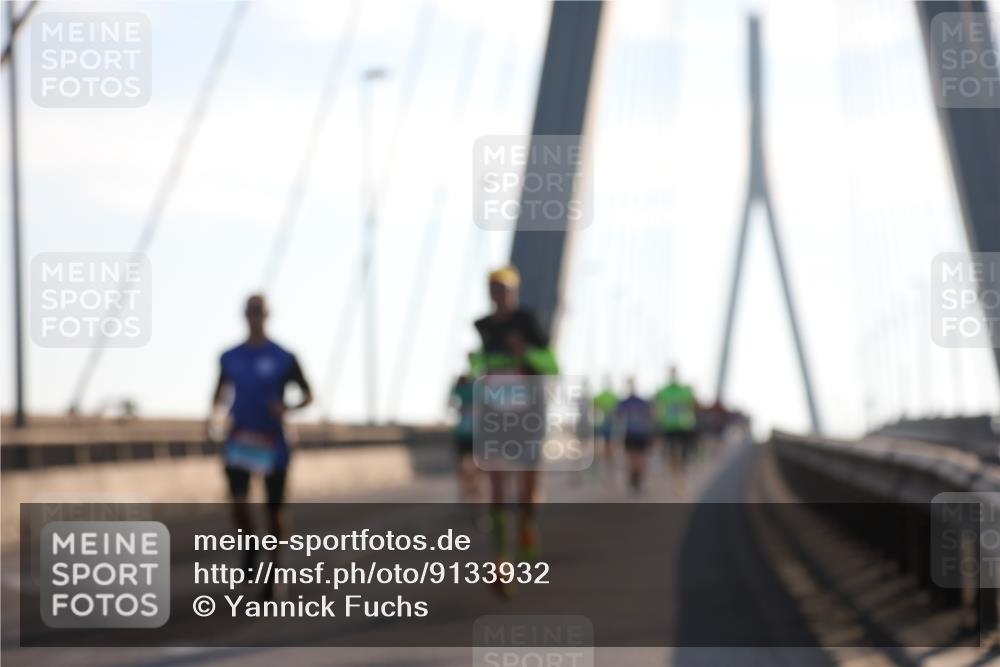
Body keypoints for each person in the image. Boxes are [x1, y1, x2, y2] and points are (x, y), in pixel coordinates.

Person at [211, 294, 312, 600]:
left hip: (273, 442)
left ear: (268, 315)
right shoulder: (230, 356)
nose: (255, 317)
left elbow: (308, 394)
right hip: (241, 439)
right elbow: (219, 393)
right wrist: (214, 421)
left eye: (260, 312)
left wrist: (288, 408)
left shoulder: (284, 356)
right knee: (239, 505)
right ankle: (250, 545)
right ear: (244, 315)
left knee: (274, 511)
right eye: (251, 312)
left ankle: (275, 571)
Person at [472, 266, 557, 586]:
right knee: (496, 489)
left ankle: (527, 526)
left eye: (504, 288)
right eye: (493, 288)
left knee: (528, 485)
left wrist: (527, 353)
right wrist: (474, 371)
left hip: (528, 412)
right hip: (496, 415)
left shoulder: (529, 323)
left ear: (514, 291)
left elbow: (553, 365)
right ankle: (500, 561)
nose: (498, 295)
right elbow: (482, 364)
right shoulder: (482, 327)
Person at [654, 366, 698, 485]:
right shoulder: (664, 391)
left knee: (684, 453)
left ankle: (681, 477)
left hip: (684, 426)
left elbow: (693, 405)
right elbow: (659, 408)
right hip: (669, 426)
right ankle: (676, 476)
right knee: (672, 453)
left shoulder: (685, 390)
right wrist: (659, 420)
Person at [615, 378, 654, 494]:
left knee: (639, 460)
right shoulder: (625, 402)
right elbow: (618, 418)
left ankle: (637, 481)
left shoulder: (640, 402)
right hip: (631, 434)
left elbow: (649, 418)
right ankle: (634, 481)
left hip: (640, 434)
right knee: (633, 460)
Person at [449, 369, 478, 503]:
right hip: (462, 433)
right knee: (461, 465)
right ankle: (466, 492)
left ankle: (473, 490)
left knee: (474, 467)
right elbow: (450, 403)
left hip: (475, 434)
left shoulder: (476, 387)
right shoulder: (460, 387)